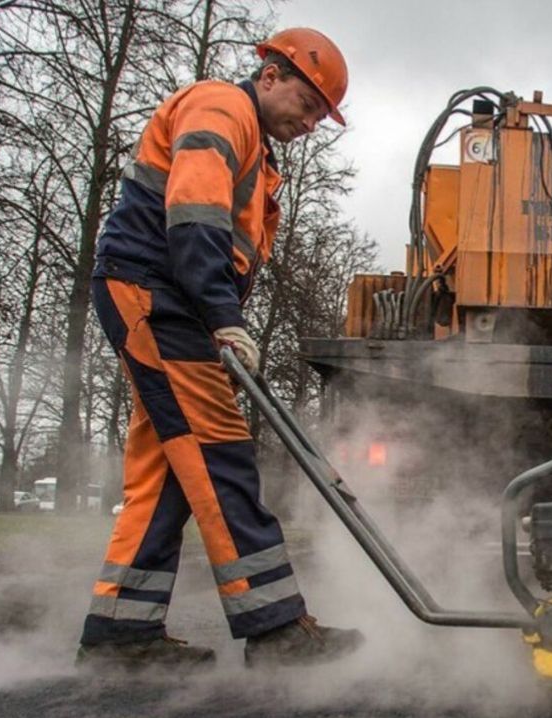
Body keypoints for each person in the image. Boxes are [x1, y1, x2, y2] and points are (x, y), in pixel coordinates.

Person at [76, 27, 363, 669]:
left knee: (168, 474)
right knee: (221, 453)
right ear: (270, 76)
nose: (310, 123)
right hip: (156, 295)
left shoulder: (261, 157)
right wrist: (222, 318)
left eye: (320, 115)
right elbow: (194, 219)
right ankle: (276, 629)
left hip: (170, 304)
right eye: (308, 104)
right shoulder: (221, 107)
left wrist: (216, 324)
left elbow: (223, 242)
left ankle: (120, 638)